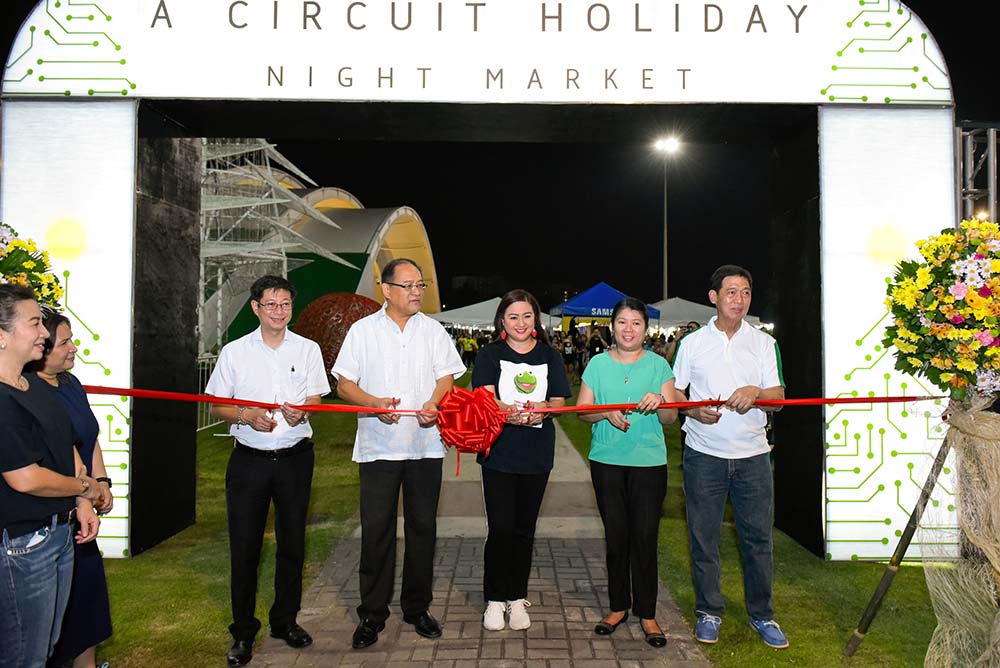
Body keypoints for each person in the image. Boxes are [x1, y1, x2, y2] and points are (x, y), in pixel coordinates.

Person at [332, 258, 465, 650]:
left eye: (420, 285)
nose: (416, 292)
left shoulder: (434, 331)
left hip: (425, 447)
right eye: (407, 286)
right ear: (386, 290)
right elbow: (343, 385)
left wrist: (434, 401)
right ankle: (372, 614)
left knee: (423, 529)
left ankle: (416, 607)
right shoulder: (362, 331)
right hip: (378, 447)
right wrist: (373, 403)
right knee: (377, 532)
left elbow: (446, 377)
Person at [205, 275, 331, 668]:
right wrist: (245, 415)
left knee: (293, 545)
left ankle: (285, 621)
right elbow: (215, 404)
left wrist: (303, 410)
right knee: (246, 548)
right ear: (256, 308)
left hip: (295, 458)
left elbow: (314, 396)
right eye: (271, 304)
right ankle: (243, 632)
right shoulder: (235, 352)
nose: (279, 311)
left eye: (285, 304)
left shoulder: (308, 349)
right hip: (249, 462)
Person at [671, 265, 787, 649]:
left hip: (753, 456)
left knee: (757, 541)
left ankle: (763, 615)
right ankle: (709, 610)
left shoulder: (764, 344)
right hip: (704, 455)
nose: (739, 300)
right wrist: (692, 411)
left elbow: (779, 399)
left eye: (746, 292)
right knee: (704, 539)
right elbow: (677, 396)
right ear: (713, 297)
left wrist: (756, 391)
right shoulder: (692, 344)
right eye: (731, 292)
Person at [0, 284, 102, 668]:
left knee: (45, 647)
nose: (44, 332)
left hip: (58, 534)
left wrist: (81, 502)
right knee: (24, 654)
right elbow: (25, 478)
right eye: (34, 323)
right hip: (23, 546)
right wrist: (85, 487)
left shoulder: (33, 384)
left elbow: (65, 447)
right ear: (2, 336)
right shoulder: (2, 399)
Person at [576, 297, 678, 648]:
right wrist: (604, 414)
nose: (629, 329)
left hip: (649, 464)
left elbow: (670, 419)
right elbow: (583, 412)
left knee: (645, 538)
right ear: (613, 326)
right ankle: (618, 607)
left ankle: (647, 613)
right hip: (607, 461)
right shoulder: (597, 365)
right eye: (622, 322)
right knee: (616, 537)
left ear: (645, 329)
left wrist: (662, 401)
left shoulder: (659, 367)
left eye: (636, 323)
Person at [473, 290, 571, 632]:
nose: (520, 323)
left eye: (527, 316)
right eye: (513, 317)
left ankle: (516, 597)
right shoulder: (489, 355)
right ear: (502, 320)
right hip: (498, 453)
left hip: (537, 454)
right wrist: (510, 414)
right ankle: (494, 599)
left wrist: (540, 410)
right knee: (499, 529)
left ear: (536, 319)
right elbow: (485, 398)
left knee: (523, 530)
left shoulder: (550, 356)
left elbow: (559, 402)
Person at [27, 312, 114, 668]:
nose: (73, 348)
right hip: (51, 522)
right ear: (40, 350)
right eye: (64, 342)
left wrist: (103, 482)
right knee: (46, 631)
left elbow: (87, 438)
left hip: (82, 521)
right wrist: (86, 494)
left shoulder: (70, 383)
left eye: (71, 339)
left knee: (86, 616)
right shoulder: (26, 392)